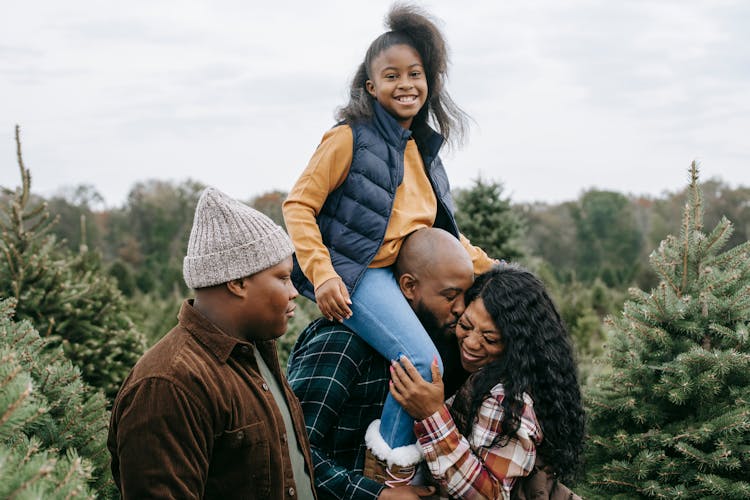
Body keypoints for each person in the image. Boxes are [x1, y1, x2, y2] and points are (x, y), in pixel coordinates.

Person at [282, 4, 497, 482]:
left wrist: (494, 267)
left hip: (401, 271)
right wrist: (324, 274)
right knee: (422, 360)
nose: (406, 84)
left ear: (429, 81)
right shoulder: (347, 138)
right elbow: (298, 206)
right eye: (392, 75)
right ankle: (390, 472)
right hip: (358, 275)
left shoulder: (423, 151)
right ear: (371, 87)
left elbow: (444, 233)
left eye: (415, 74)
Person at [107, 187, 317, 499]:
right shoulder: (168, 384)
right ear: (237, 282)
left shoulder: (257, 354)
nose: (294, 292)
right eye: (283, 278)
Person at [287, 228, 474, 499]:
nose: (460, 308)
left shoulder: (441, 351)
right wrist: (376, 495)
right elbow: (290, 450)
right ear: (409, 286)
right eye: (449, 296)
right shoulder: (342, 344)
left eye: (465, 297)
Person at [390, 266, 585, 499]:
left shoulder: (508, 401)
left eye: (490, 338)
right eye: (465, 325)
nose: (471, 343)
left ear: (517, 347)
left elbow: (491, 495)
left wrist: (432, 415)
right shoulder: (494, 374)